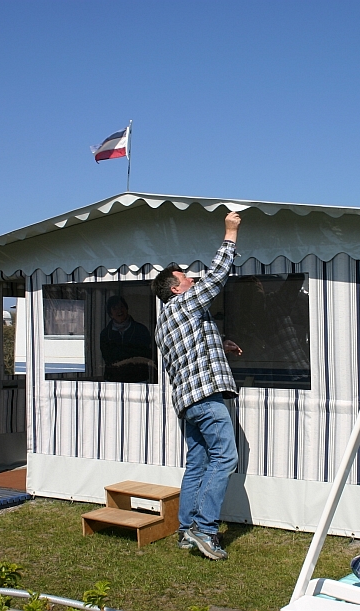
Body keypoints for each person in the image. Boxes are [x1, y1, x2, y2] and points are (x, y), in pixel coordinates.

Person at [151, 211, 243, 561]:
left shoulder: (165, 321)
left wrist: (223, 344)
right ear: (175, 289)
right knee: (226, 457)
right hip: (206, 398)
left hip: (188, 403)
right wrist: (230, 232)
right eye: (186, 278)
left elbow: (192, 349)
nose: (191, 279)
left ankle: (186, 531)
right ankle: (205, 530)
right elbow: (218, 276)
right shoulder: (184, 303)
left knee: (199, 462)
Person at [99, 295, 153, 383]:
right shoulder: (106, 333)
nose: (119, 311)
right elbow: (108, 357)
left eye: (121, 307)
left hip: (138, 379)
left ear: (126, 309)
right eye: (115, 308)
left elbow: (145, 354)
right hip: (112, 380)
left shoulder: (140, 330)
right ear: (110, 313)